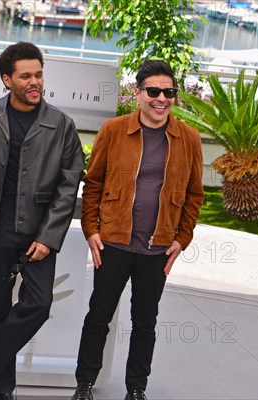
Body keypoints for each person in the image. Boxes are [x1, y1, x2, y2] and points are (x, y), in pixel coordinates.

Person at [0, 42, 84, 400]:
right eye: (25, 76)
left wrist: (49, 236)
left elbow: (68, 184)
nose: (34, 82)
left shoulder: (61, 125)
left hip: (39, 233)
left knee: (38, 305)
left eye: (39, 74)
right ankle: (1, 390)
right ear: (6, 79)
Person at [71, 60, 205, 400]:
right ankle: (84, 384)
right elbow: (94, 184)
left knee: (145, 323)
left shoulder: (188, 139)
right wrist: (91, 230)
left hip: (157, 249)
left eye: (169, 92)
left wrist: (182, 239)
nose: (161, 99)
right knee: (98, 317)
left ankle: (136, 390)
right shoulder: (113, 130)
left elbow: (194, 195)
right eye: (153, 91)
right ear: (138, 93)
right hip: (113, 244)